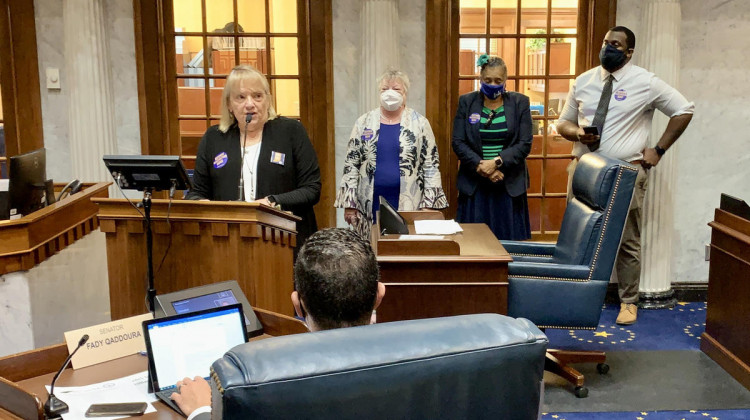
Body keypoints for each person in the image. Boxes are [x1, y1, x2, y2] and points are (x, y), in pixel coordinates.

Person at [556, 26, 694, 325]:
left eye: (615, 44)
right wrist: (578, 132)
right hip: (584, 168)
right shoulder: (584, 81)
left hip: (625, 171)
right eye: (606, 42)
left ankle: (628, 302)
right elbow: (562, 124)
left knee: (627, 240)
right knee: (577, 234)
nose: (608, 47)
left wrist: (658, 149)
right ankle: (574, 293)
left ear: (629, 52)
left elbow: (684, 109)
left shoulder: (645, 82)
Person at [171, 228, 386, 420]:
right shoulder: (415, 362)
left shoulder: (266, 387)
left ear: (298, 305)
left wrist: (202, 412)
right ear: (379, 295)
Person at [185, 65, 321, 249]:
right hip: (227, 241)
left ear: (268, 100)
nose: (250, 104)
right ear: (229, 104)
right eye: (241, 97)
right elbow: (195, 193)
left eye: (257, 96)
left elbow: (311, 189)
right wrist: (206, 205)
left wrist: (271, 202)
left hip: (284, 241)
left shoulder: (290, 131)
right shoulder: (214, 138)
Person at [335, 69, 448, 238]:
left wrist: (429, 205)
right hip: (369, 203)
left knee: (403, 252)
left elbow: (431, 165)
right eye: (385, 89)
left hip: (409, 203)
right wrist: (349, 204)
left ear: (405, 93)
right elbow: (351, 163)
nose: (390, 93)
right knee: (369, 252)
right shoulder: (363, 122)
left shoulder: (420, 123)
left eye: (396, 89)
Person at [451, 54, 533, 240]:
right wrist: (483, 167)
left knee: (509, 246)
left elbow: (524, 143)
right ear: (480, 78)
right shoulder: (467, 102)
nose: (493, 84)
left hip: (508, 185)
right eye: (488, 80)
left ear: (505, 80)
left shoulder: (520, 103)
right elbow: (458, 141)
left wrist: (496, 162)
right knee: (473, 244)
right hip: (475, 185)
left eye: (498, 80)